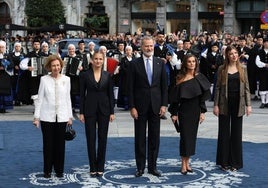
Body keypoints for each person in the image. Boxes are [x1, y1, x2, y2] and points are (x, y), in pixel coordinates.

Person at [128, 36, 168, 177]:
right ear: (141, 47)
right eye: (146, 46)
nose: (149, 48)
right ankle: (140, 167)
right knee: (139, 138)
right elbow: (130, 88)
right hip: (139, 107)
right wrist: (132, 107)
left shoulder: (160, 63)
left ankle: (153, 167)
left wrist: (164, 104)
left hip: (156, 106)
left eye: (151, 46)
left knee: (154, 138)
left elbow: (164, 86)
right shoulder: (134, 64)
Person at [168, 54, 211, 175]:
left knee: (192, 138)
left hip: (195, 110)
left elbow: (201, 98)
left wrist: (202, 112)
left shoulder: (199, 77)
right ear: (185, 63)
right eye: (189, 62)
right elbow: (175, 99)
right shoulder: (180, 78)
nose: (192, 63)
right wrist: (174, 113)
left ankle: (188, 162)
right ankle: (183, 163)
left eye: (194, 61)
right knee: (185, 138)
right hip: (184, 111)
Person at [33, 55, 73, 178]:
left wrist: (70, 116)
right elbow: (39, 99)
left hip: (62, 116)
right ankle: (47, 170)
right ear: (49, 67)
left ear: (61, 66)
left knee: (60, 145)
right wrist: (36, 117)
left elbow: (68, 98)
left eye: (58, 65)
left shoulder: (67, 79)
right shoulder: (44, 79)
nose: (56, 68)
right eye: (53, 65)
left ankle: (59, 170)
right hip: (47, 117)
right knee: (48, 144)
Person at [213, 45, 252, 172]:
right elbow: (217, 88)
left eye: (236, 53)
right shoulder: (221, 69)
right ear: (227, 56)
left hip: (238, 104)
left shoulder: (243, 69)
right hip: (224, 103)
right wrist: (216, 105)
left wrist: (249, 105)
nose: (234, 55)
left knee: (236, 133)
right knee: (223, 132)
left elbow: (246, 88)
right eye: (231, 53)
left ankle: (235, 162)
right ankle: (223, 161)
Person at [79, 52, 115, 177]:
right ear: (92, 60)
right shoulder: (84, 75)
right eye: (96, 59)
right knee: (90, 139)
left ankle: (100, 166)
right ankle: (92, 167)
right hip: (89, 110)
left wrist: (112, 111)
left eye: (100, 59)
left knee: (102, 138)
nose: (98, 61)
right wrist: (81, 112)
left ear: (103, 60)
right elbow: (82, 95)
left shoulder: (108, 75)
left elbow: (111, 95)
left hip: (104, 110)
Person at [0, 40, 14, 113]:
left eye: (2, 47)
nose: (1, 49)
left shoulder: (7, 55)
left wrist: (6, 66)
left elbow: (12, 64)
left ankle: (4, 107)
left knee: (5, 91)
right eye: (0, 47)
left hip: (5, 76)